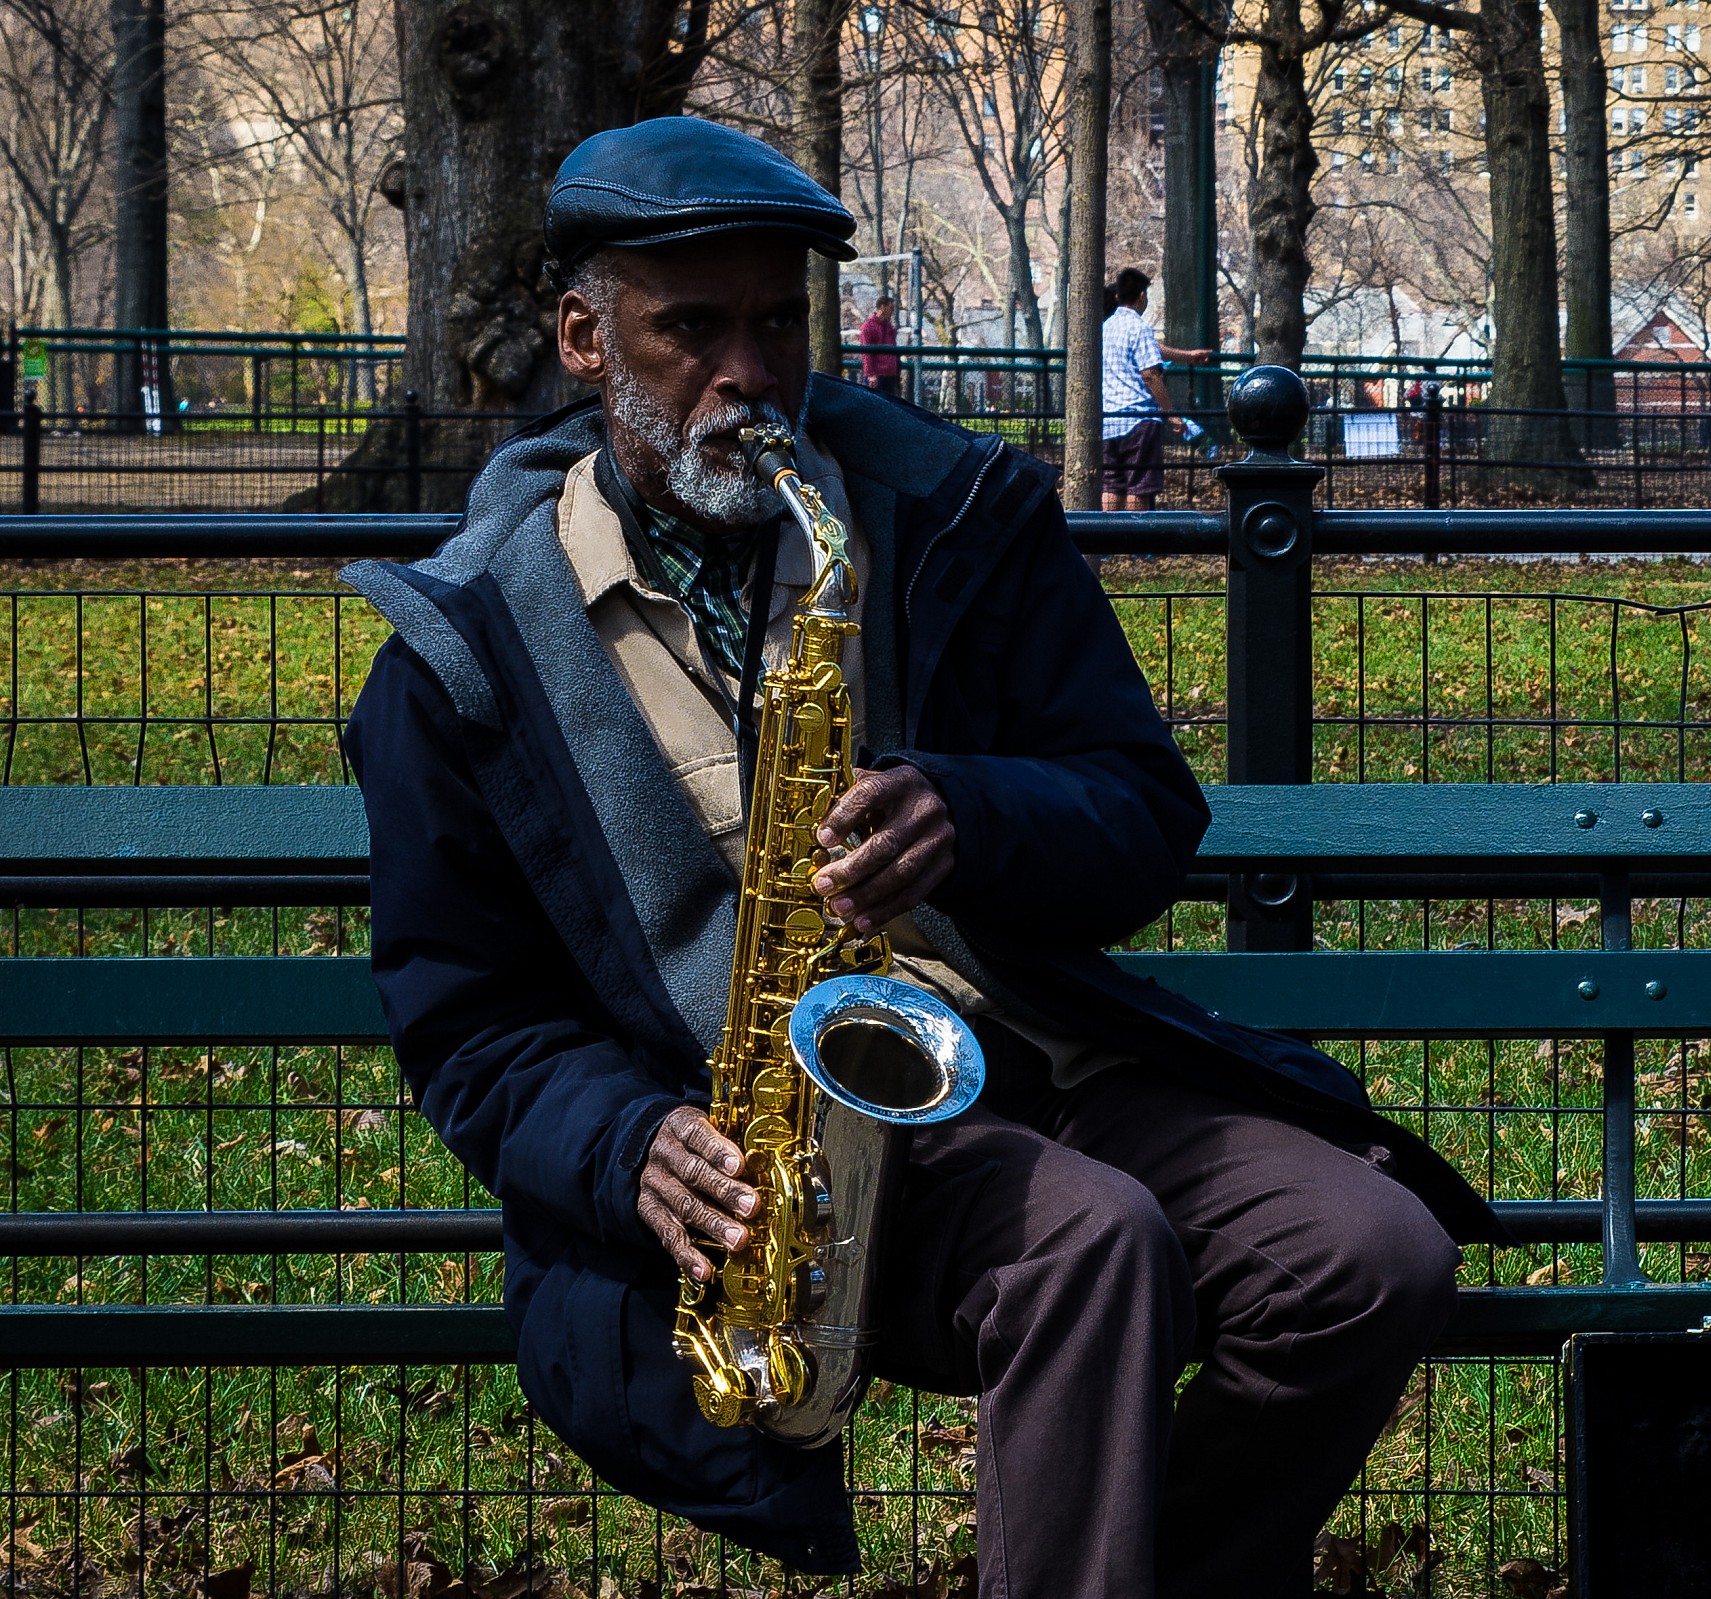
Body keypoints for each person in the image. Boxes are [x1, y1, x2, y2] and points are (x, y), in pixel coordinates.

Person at [337, 117, 1493, 1598]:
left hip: (1055, 1069)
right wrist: (628, 1145)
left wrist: (974, 809)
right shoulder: (464, 652)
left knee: (1369, 1255)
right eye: (690, 329)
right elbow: (470, 1026)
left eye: (775, 323)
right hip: (764, 1170)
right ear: (582, 335)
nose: (747, 374)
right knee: (1094, 1245)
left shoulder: (953, 516)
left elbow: (1142, 808)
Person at [1100, 266, 1213, 512]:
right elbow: (1150, 374)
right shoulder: (1139, 329)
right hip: (1138, 421)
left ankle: (1107, 545)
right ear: (1142, 296)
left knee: (1111, 486)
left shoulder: (1104, 329)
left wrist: (1187, 356)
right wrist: (1170, 413)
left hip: (1107, 420)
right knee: (1138, 486)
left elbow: (1152, 348)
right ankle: (1137, 544)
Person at [857, 293, 902, 397]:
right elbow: (866, 353)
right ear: (883, 306)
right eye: (891, 307)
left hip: (890, 374)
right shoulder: (868, 326)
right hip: (877, 374)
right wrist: (870, 374)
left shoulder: (889, 326)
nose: (893, 310)